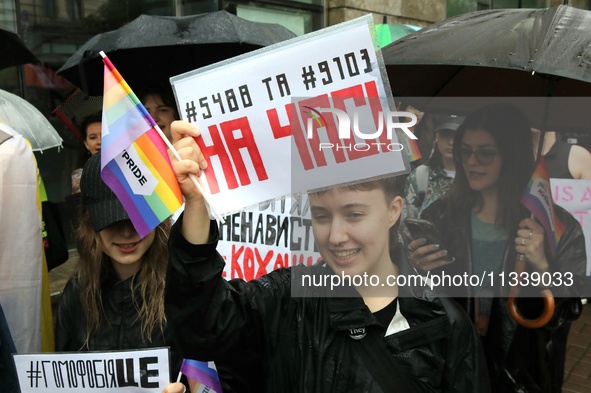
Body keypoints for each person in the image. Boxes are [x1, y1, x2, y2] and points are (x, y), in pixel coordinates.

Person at [162, 120, 489, 393]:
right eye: (321, 216)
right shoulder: (287, 299)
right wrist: (195, 203)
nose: (335, 236)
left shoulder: (445, 325)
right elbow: (201, 326)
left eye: (354, 214)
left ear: (394, 211)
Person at [407, 104, 586, 393]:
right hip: (452, 371)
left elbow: (564, 313)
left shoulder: (555, 227)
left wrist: (541, 265)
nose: (471, 162)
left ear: (511, 155)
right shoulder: (439, 217)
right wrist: (417, 272)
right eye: (465, 151)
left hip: (518, 376)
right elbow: (419, 311)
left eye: (485, 152)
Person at [56, 152, 177, 368]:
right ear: (89, 221)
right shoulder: (77, 291)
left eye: (138, 217)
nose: (128, 233)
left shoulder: (183, 290)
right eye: (112, 220)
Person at [403, 114, 463, 220]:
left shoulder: (475, 178)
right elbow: (406, 220)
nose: (451, 142)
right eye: (445, 135)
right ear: (436, 137)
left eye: (457, 136)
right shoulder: (420, 176)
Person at [71, 112, 102, 194]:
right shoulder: (80, 175)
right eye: (93, 137)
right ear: (86, 144)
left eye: (104, 135)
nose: (99, 141)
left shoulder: (127, 165)